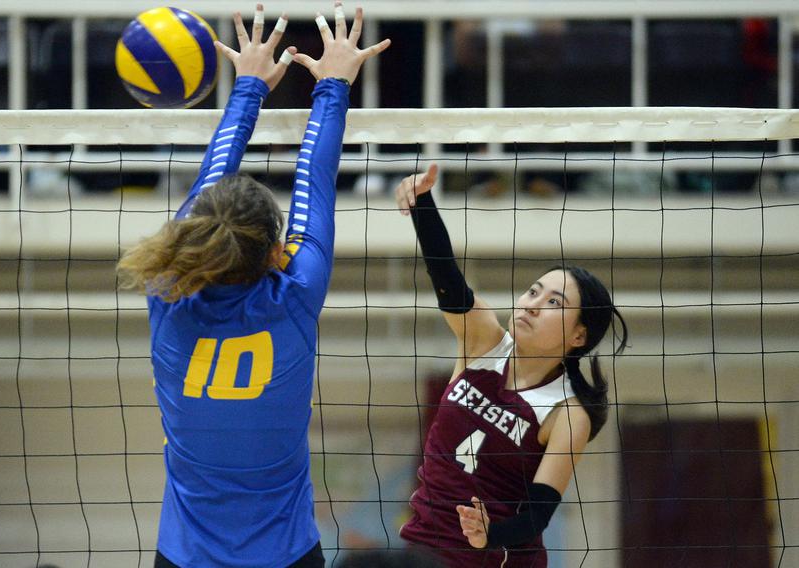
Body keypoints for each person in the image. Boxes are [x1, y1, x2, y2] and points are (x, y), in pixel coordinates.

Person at [116, 3, 390, 567]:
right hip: (286, 554)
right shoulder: (294, 296)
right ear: (275, 251)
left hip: (186, 556)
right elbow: (316, 178)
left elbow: (210, 189)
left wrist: (249, 88)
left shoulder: (168, 290)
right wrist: (333, 83)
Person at [393, 164, 629, 567]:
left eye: (554, 303)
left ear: (578, 336)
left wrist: (489, 534)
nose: (533, 304)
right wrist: (423, 204)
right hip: (422, 549)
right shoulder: (483, 340)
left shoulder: (568, 413)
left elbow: (538, 515)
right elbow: (448, 278)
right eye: (534, 291)